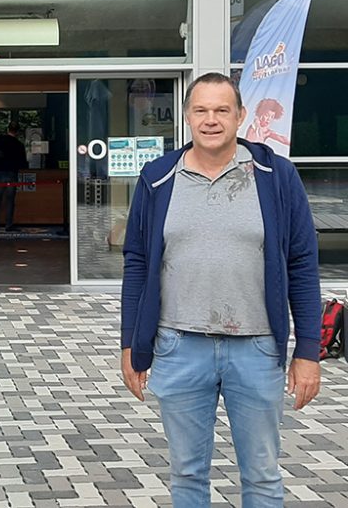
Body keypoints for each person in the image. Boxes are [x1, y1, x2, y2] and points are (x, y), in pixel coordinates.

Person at [120, 73, 321, 507]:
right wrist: (130, 344)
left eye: (222, 110)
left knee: (263, 477)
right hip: (178, 346)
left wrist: (307, 351)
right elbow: (137, 261)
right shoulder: (158, 178)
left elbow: (302, 263)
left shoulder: (276, 176)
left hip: (258, 349)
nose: (211, 120)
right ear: (188, 116)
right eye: (201, 110)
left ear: (240, 116)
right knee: (187, 476)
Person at [0, 120, 28, 231]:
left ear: (7, 129)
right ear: (17, 132)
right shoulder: (18, 145)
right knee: (10, 200)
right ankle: (8, 224)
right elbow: (23, 162)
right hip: (12, 174)